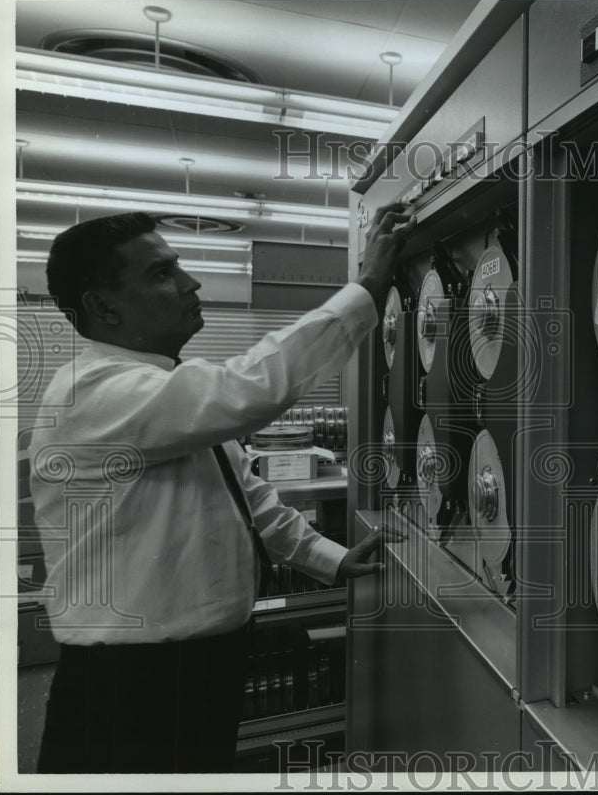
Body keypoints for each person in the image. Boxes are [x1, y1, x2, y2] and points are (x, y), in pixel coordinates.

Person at [28, 203, 414, 773]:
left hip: (199, 663)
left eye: (178, 266)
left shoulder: (157, 390)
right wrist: (368, 287)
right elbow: (253, 387)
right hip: (130, 680)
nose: (191, 282)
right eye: (161, 274)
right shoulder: (93, 392)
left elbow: (245, 494)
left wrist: (330, 558)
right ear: (101, 306)